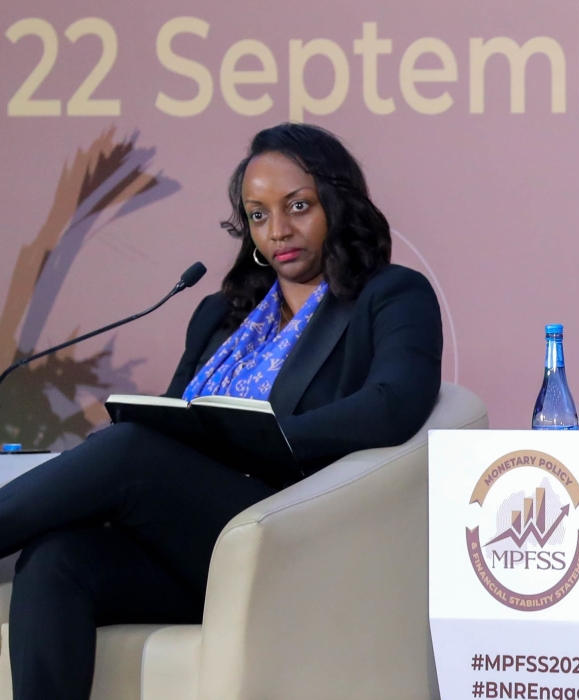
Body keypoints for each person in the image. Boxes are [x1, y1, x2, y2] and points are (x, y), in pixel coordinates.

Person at [0, 123, 443, 699]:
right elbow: (168, 416)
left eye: (298, 206)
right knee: (55, 559)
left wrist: (264, 438)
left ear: (338, 202)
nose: (278, 230)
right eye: (258, 215)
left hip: (293, 534)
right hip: (195, 549)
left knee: (128, 452)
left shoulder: (390, 295)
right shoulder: (219, 315)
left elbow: (392, 406)